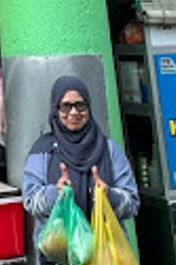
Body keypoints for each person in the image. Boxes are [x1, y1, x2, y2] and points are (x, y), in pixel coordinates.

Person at [21, 75, 139, 257]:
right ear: (55, 109)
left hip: (104, 254)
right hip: (59, 255)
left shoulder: (108, 149)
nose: (74, 112)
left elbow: (132, 204)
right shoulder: (43, 150)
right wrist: (56, 193)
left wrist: (109, 195)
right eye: (66, 106)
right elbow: (30, 201)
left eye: (81, 105)